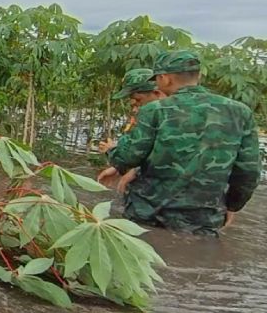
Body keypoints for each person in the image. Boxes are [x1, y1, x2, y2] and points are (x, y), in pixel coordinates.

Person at [97, 51, 261, 235]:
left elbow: (128, 157)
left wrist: (112, 151)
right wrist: (232, 205)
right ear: (198, 75)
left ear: (164, 78)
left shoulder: (155, 110)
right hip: (205, 218)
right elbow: (249, 171)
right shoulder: (240, 112)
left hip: (148, 213)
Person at [97, 68, 165, 154]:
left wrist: (112, 151)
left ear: (157, 93)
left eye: (138, 100)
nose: (135, 110)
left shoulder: (171, 121)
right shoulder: (151, 120)